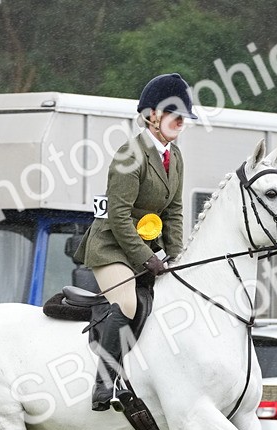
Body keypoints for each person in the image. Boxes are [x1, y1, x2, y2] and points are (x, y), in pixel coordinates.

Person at [74, 73, 195, 411]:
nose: (181, 122)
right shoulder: (130, 154)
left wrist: (177, 257)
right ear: (151, 115)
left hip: (145, 249)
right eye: (173, 114)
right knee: (127, 303)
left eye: (184, 117)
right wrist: (146, 257)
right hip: (111, 247)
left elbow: (174, 211)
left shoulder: (175, 156)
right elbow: (118, 215)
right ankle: (104, 383)